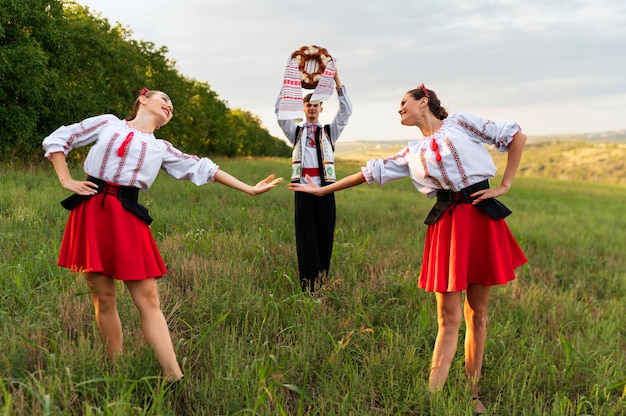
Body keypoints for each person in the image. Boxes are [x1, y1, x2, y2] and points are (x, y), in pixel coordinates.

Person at [288, 84, 527, 414]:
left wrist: (504, 185)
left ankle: (473, 394)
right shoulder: (412, 151)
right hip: (447, 226)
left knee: (479, 314)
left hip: (481, 217)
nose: (398, 109)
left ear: (423, 100)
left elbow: (515, 137)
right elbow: (369, 173)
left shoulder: (460, 123)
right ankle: (432, 397)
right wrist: (321, 191)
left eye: (403, 102)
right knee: (448, 317)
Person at [42, 88, 283, 382]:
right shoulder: (108, 123)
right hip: (91, 211)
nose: (170, 106)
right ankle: (116, 370)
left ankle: (174, 376)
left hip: (127, 216)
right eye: (164, 99)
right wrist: (65, 179)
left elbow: (204, 167)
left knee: (149, 299)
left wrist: (249, 188)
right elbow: (61, 137)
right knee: (103, 297)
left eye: (172, 105)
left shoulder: (162, 148)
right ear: (143, 100)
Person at [275, 69, 353, 292]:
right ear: (303, 107)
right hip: (302, 189)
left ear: (321, 109)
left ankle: (321, 283)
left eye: (315, 105)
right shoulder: (295, 132)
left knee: (325, 235)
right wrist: (290, 83)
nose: (311, 108)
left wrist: (338, 80)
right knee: (305, 237)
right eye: (308, 105)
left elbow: (345, 113)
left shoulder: (329, 132)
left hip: (326, 188)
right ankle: (307, 286)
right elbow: (279, 112)